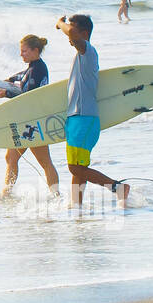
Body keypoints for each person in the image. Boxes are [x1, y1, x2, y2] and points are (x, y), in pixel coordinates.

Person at [57, 14, 128, 207]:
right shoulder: (81, 55)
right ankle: (76, 206)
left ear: (84, 33)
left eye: (73, 30)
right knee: (79, 168)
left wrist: (60, 23)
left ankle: (117, 187)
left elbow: (70, 32)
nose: (69, 36)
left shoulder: (88, 52)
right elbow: (72, 33)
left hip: (84, 118)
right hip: (77, 118)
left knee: (75, 168)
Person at [0, 34, 59, 199]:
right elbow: (22, 76)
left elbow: (27, 94)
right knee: (11, 156)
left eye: (24, 51)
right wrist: (10, 80)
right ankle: (6, 193)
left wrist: (6, 92)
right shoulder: (34, 67)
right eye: (21, 51)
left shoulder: (38, 69)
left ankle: (56, 195)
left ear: (35, 50)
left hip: (32, 121)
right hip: (27, 119)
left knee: (44, 161)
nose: (21, 54)